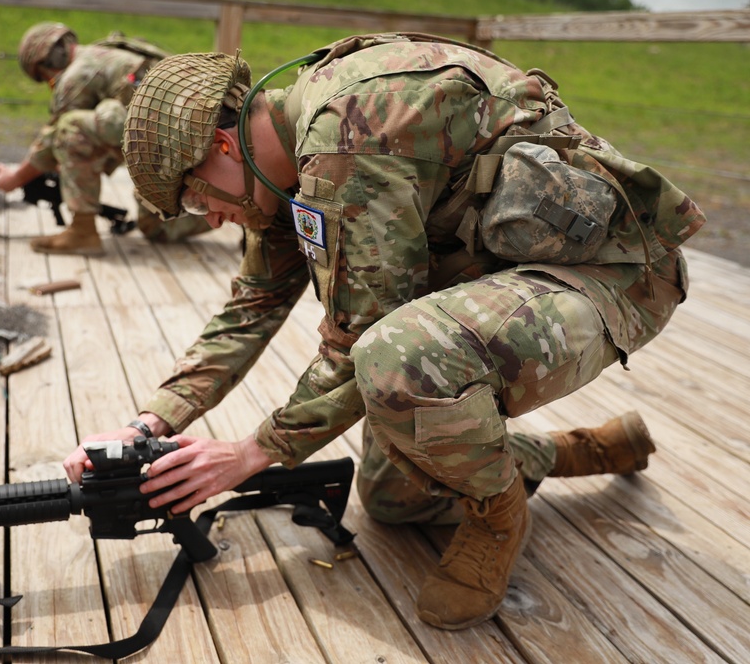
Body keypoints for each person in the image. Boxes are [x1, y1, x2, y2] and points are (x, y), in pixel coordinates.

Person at [63, 33, 706, 630]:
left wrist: (254, 451)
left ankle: (499, 516)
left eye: (201, 200)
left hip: (615, 278)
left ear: (223, 148)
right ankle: (579, 452)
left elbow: (361, 335)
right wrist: (151, 423)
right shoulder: (286, 162)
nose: (209, 222)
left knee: (397, 360)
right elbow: (253, 304)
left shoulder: (343, 141)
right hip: (515, 280)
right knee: (394, 496)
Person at [0, 22, 211, 256]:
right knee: (155, 226)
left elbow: (56, 138)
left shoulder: (77, 74)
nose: (50, 84)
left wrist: (14, 177)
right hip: (192, 144)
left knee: (71, 129)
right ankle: (230, 211)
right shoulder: (105, 56)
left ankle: (82, 232)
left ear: (49, 61)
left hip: (176, 146)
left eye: (44, 77)